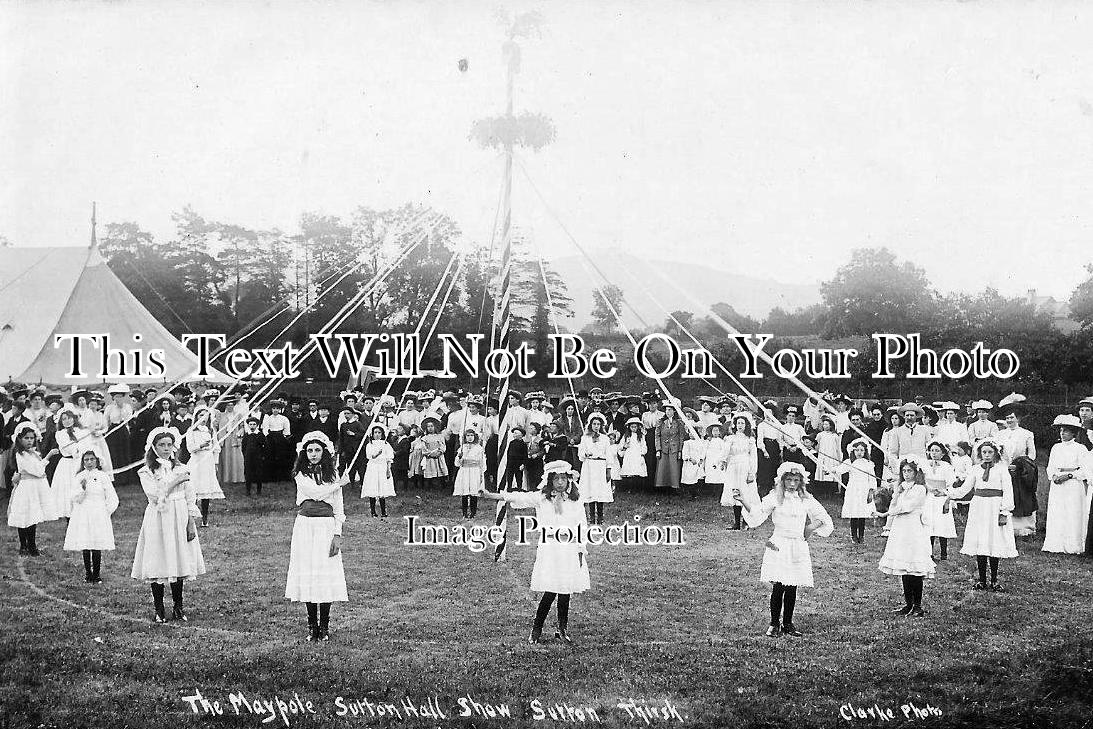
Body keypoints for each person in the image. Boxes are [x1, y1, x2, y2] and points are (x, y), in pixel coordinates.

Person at [478, 460, 590, 644]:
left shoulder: (576, 500)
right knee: (551, 590)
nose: (560, 482)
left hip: (569, 547)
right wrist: (490, 495)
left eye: (563, 478)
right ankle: (536, 628)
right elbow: (517, 497)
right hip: (551, 548)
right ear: (549, 481)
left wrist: (580, 549)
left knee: (566, 590)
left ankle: (562, 628)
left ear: (569, 480)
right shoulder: (542, 498)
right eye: (556, 479)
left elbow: (581, 525)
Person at [734, 462, 834, 637]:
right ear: (782, 480)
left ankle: (788, 623)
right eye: (789, 480)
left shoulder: (806, 499)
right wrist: (743, 501)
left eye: (796, 480)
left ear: (801, 481)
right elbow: (757, 514)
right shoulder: (775, 497)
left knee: (792, 585)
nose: (792, 484)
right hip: (778, 543)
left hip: (797, 544)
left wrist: (809, 528)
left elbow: (824, 518)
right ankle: (774, 623)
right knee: (778, 585)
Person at [131, 426, 205, 623]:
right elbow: (155, 495)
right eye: (161, 445)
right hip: (159, 517)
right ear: (153, 447)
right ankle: (159, 608)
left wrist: (190, 523)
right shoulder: (146, 471)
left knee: (178, 559)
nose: (166, 449)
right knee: (159, 559)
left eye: (169, 445)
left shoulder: (182, 468)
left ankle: (178, 607)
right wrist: (175, 482)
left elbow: (191, 498)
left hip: (179, 514)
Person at [286, 431, 348, 642]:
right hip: (306, 527)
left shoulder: (333, 476)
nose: (313, 454)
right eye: (310, 450)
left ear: (324, 452)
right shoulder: (300, 475)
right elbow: (314, 493)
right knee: (309, 572)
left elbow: (338, 508)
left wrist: (337, 535)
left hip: (326, 527)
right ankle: (311, 625)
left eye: (317, 450)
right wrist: (338, 485)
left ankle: (324, 626)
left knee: (325, 573)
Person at [946, 440, 1018, 591]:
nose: (986, 455)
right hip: (979, 507)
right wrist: (949, 494)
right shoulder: (975, 470)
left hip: (995, 507)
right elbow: (965, 489)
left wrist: (1004, 512)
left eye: (990, 452)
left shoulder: (1002, 469)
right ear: (979, 454)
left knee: (993, 540)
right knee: (981, 541)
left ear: (996, 453)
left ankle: (994, 580)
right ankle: (982, 580)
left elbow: (1008, 491)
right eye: (984, 452)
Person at [876, 456, 934, 617]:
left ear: (917, 473)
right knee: (904, 566)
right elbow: (896, 504)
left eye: (910, 471)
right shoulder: (901, 487)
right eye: (904, 471)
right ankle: (908, 604)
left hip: (913, 527)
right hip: (901, 527)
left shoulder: (920, 489)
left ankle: (917, 605)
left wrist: (887, 512)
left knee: (914, 566)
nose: (906, 474)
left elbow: (907, 507)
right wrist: (895, 493)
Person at [64, 449, 119, 583]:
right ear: (82, 462)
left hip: (98, 511)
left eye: (92, 459)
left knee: (96, 542)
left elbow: (112, 496)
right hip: (83, 511)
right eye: (86, 460)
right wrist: (82, 489)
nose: (89, 462)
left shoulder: (103, 476)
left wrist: (107, 511)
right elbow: (73, 497)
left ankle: (97, 574)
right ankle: (88, 573)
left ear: (97, 461)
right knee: (86, 541)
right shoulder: (79, 477)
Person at [8, 423, 58, 556]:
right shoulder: (21, 454)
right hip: (27, 487)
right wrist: (48, 457)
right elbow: (37, 470)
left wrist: (43, 460)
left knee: (33, 515)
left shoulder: (34, 453)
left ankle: (32, 545)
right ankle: (24, 546)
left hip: (35, 487)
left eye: (31, 438)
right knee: (25, 515)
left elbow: (39, 469)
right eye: (26, 438)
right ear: (19, 439)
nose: (29, 441)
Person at [1042, 415, 1089, 554]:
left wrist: (1069, 475)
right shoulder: (1056, 448)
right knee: (1058, 512)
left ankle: (1072, 545)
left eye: (1066, 431)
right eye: (1061, 430)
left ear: (1074, 433)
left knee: (1072, 512)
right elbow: (1050, 467)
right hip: (1058, 485)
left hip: (1073, 484)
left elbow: (1084, 470)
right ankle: (1055, 544)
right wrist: (1054, 476)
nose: (1062, 434)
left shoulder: (1081, 449)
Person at [994, 395, 1037, 538]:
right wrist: (1003, 465)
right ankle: (1005, 524)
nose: (1009, 420)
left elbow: (1032, 454)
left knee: (1022, 496)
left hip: (1021, 471)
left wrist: (1020, 465)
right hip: (1004, 469)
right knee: (1006, 495)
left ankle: (1024, 527)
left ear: (1018, 418)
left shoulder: (1026, 434)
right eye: (1007, 418)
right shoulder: (1000, 435)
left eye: (1012, 418)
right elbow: (996, 452)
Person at [186, 407, 224, 528]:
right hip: (197, 460)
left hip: (208, 461)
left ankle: (205, 519)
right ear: (196, 417)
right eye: (200, 415)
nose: (203, 418)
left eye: (205, 415)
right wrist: (200, 446)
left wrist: (216, 463)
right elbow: (190, 448)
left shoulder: (211, 430)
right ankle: (190, 518)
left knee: (206, 489)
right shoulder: (191, 430)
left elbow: (216, 448)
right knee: (193, 488)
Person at [720, 413, 759, 530]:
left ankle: (746, 522)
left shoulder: (750, 440)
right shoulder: (731, 438)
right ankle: (737, 523)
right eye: (738, 423)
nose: (740, 425)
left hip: (745, 467)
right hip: (733, 467)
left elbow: (753, 457)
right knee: (735, 492)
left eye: (742, 423)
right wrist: (722, 461)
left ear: (746, 425)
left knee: (746, 493)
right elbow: (725, 451)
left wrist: (752, 472)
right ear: (735, 425)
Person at [51, 407, 89, 520]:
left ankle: (82, 512)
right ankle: (70, 516)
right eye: (64, 419)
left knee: (81, 486)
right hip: (67, 464)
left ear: (74, 418)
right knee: (68, 489)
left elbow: (86, 445)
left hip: (79, 462)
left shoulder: (80, 431)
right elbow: (68, 448)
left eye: (69, 418)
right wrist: (77, 448)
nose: (67, 421)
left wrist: (81, 448)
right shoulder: (60, 434)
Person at [922, 441, 958, 561]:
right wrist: (928, 488)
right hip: (929, 497)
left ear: (942, 453)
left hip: (941, 498)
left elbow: (951, 484)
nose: (934, 453)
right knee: (929, 523)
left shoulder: (947, 467)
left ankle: (943, 553)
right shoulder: (925, 465)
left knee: (942, 524)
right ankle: (929, 552)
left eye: (937, 451)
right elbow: (922, 480)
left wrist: (945, 494)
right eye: (932, 450)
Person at [838, 438, 878, 544]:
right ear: (853, 451)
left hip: (864, 490)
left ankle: (861, 535)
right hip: (853, 490)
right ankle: (854, 535)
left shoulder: (869, 463)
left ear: (865, 452)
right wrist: (830, 470)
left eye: (861, 450)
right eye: (857, 450)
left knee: (862, 513)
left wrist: (871, 491)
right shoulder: (850, 462)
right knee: (854, 512)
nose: (859, 453)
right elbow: (840, 470)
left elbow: (872, 478)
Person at [579, 413, 612, 525]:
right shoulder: (585, 438)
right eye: (594, 424)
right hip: (589, 466)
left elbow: (609, 454)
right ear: (590, 425)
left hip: (601, 466)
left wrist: (608, 470)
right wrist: (585, 453)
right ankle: (592, 517)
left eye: (598, 424)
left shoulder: (605, 438)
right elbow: (580, 454)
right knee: (591, 490)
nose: (596, 426)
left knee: (600, 491)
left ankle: (601, 517)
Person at [360, 424, 395, 518]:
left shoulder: (386, 444)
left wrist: (388, 470)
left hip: (383, 467)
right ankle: (373, 512)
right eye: (375, 432)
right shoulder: (369, 444)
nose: (377, 434)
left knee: (382, 489)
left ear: (382, 434)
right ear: (372, 434)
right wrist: (377, 454)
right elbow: (370, 456)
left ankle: (383, 512)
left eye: (379, 432)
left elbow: (389, 458)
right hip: (373, 467)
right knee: (373, 488)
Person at [654, 402, 687, 491]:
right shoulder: (661, 421)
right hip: (664, 448)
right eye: (666, 410)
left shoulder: (679, 423)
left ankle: (674, 487)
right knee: (662, 467)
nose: (667, 412)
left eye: (670, 410)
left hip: (674, 448)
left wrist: (680, 450)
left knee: (674, 467)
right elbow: (657, 436)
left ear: (674, 411)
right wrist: (658, 449)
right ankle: (662, 487)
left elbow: (681, 437)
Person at [453, 429, 485, 518]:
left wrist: (481, 472)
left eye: (471, 435)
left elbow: (482, 462)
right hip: (465, 471)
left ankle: (473, 513)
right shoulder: (462, 447)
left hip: (474, 471)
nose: (470, 437)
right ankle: (464, 513)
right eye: (467, 436)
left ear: (474, 436)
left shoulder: (479, 448)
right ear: (465, 437)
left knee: (473, 492)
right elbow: (457, 463)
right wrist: (459, 457)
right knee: (465, 491)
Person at [241, 416, 267, 496]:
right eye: (250, 424)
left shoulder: (260, 435)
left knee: (258, 473)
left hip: (258, 457)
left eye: (254, 424)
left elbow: (264, 446)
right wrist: (245, 455)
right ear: (248, 425)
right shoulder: (246, 435)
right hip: (248, 457)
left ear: (257, 425)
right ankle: (248, 490)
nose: (252, 426)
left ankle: (259, 490)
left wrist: (262, 456)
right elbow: (243, 447)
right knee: (248, 473)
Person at [419, 417, 448, 489]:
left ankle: (442, 485)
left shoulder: (440, 436)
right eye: (428, 426)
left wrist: (439, 452)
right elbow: (424, 448)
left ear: (435, 427)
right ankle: (429, 486)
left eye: (432, 426)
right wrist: (430, 454)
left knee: (440, 469)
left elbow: (443, 446)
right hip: (430, 457)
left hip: (438, 456)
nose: (430, 428)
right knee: (430, 470)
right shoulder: (424, 438)